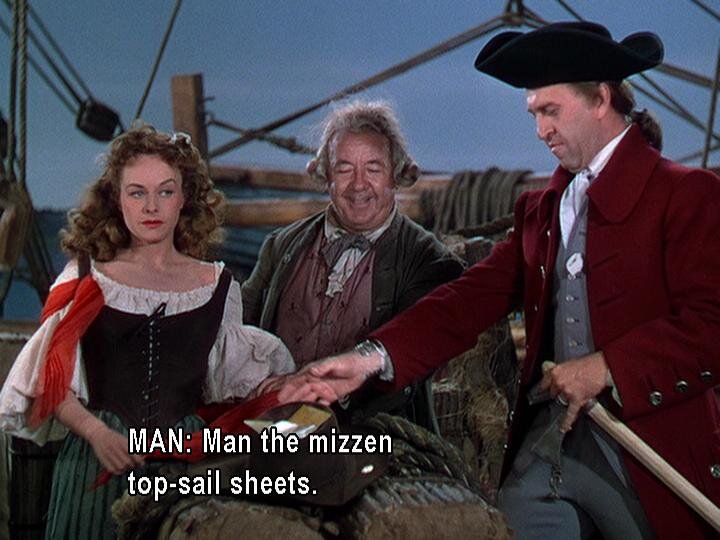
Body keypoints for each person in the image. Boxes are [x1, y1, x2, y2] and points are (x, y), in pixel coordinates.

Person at [274, 22, 720, 539]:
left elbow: (712, 324)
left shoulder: (687, 195)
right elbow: (466, 301)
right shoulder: (542, 211)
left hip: (650, 456)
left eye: (551, 111)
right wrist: (368, 359)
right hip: (554, 450)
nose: (541, 131)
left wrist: (607, 367)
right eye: (534, 114)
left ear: (601, 98)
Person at [0, 125, 294, 539]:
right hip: (95, 461)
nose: (151, 206)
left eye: (165, 191)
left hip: (186, 467)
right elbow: (49, 382)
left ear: (184, 198)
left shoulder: (217, 285)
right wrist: (96, 433)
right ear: (117, 199)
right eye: (137, 193)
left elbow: (229, 387)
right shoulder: (85, 278)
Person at [243, 100, 462, 430]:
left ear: (395, 176)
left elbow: (411, 361)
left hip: (373, 435)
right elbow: (243, 329)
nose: (359, 184)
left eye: (373, 169)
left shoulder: (428, 260)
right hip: (271, 425)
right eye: (344, 169)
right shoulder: (281, 245)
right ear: (325, 175)